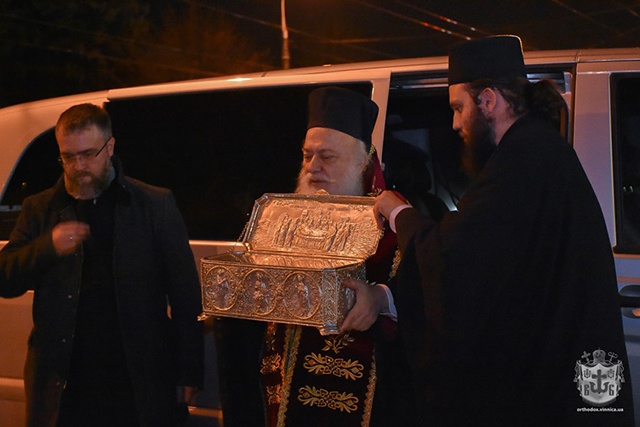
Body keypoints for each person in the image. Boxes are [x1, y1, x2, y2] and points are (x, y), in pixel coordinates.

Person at [373, 35, 635, 426]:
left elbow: (453, 257)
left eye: (458, 108)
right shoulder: (536, 148)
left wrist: (398, 212)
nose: (455, 123)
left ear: (488, 100)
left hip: (554, 391)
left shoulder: (523, 160)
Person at [0, 104, 204, 427]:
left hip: (136, 380)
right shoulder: (40, 209)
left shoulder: (153, 205)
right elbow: (5, 278)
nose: (78, 166)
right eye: (68, 157)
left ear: (109, 147)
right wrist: (47, 247)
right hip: (64, 384)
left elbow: (185, 296)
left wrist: (189, 371)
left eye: (87, 154)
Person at [260, 86, 426, 427]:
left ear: (361, 162)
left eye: (327, 157)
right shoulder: (285, 219)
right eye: (307, 155)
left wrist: (380, 299)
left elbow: (427, 301)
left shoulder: (395, 226)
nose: (313, 168)